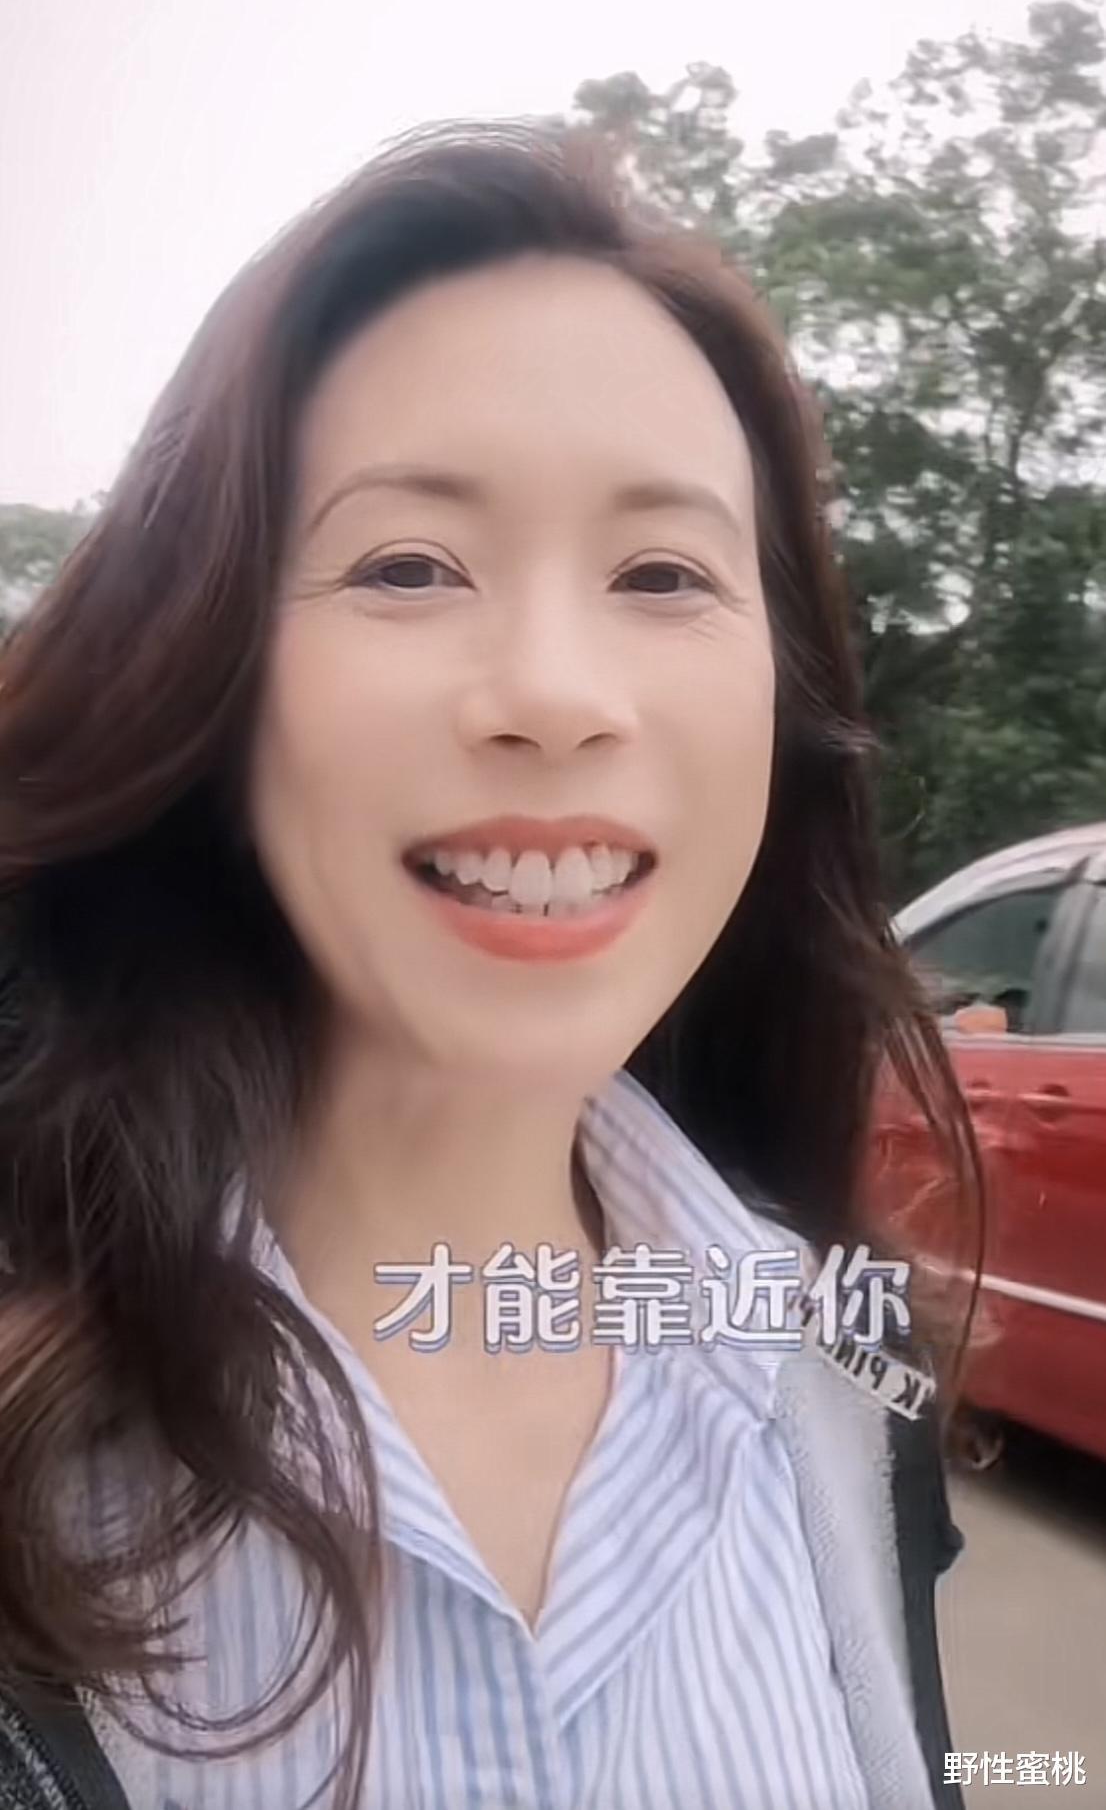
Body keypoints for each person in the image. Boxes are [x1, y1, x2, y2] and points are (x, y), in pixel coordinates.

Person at [0, 121, 975, 1810]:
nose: (554, 693)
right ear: (207, 676)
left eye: (662, 573)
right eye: (407, 566)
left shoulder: (832, 1382)